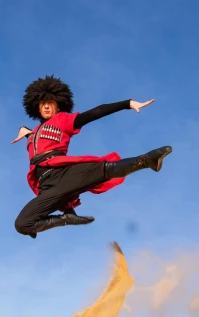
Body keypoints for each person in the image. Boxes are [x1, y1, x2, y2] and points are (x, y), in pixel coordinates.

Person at [12, 75, 172, 238]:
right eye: (42, 104)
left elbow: (95, 112)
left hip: (63, 173)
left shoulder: (63, 120)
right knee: (22, 225)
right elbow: (30, 133)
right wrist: (24, 130)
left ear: (58, 106)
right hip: (46, 188)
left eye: (50, 103)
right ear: (36, 107)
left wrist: (127, 104)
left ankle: (147, 160)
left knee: (107, 169)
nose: (46, 107)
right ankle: (67, 218)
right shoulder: (34, 131)